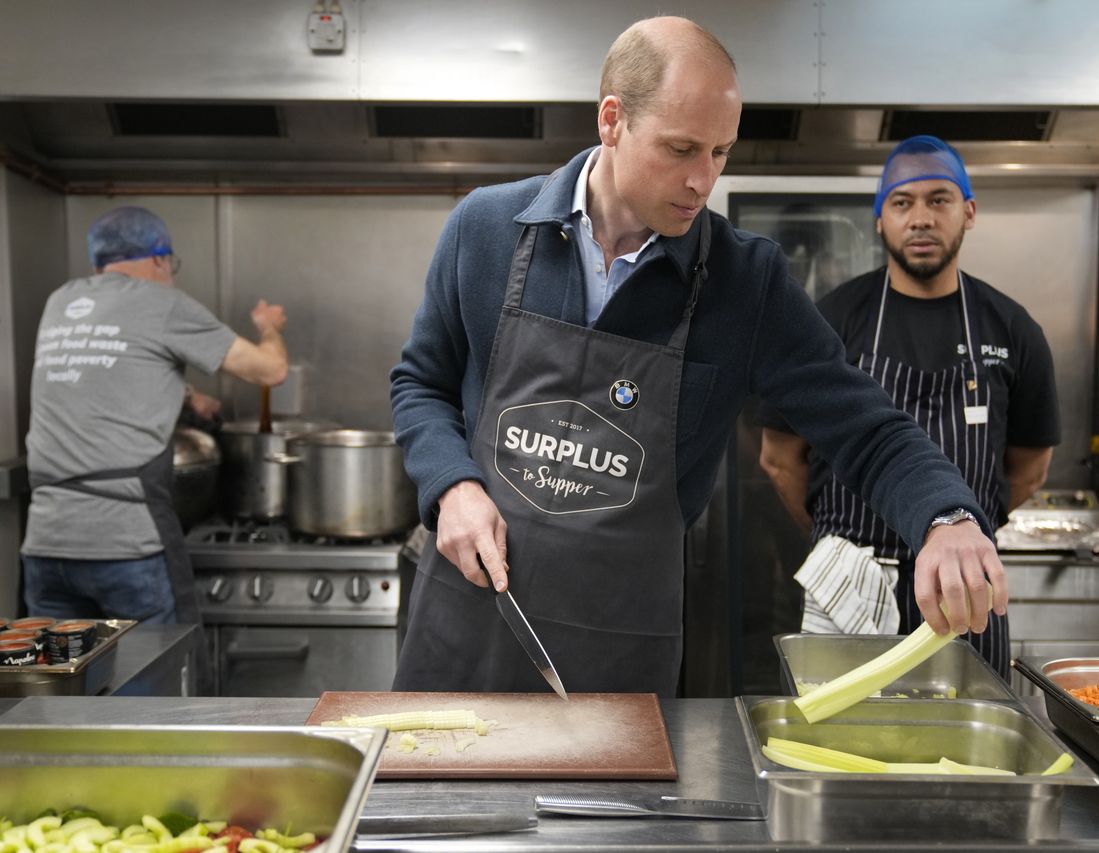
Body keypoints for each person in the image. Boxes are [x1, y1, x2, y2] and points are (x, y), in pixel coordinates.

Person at [390, 17, 1008, 697]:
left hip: (617, 653)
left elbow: (868, 430)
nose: (701, 181)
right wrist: (452, 484)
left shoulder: (746, 282)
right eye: (681, 149)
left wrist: (946, 517)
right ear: (612, 121)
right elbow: (420, 382)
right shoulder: (485, 229)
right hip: (470, 617)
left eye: (720, 153)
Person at [758, 136, 1060, 678]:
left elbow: (1030, 470)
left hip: (964, 591)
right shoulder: (831, 319)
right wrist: (838, 532)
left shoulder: (1013, 329)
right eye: (902, 203)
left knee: (965, 752)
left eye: (939, 200)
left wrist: (971, 527)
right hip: (849, 582)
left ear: (969, 212)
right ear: (879, 221)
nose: (921, 218)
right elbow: (780, 458)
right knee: (836, 749)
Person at [21, 205, 289, 628]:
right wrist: (269, 327)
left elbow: (107, 367)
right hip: (126, 543)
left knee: (60, 690)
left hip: (45, 545)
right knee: (158, 686)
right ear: (160, 258)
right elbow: (270, 371)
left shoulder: (62, 300)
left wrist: (188, 396)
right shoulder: (162, 304)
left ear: (99, 263)